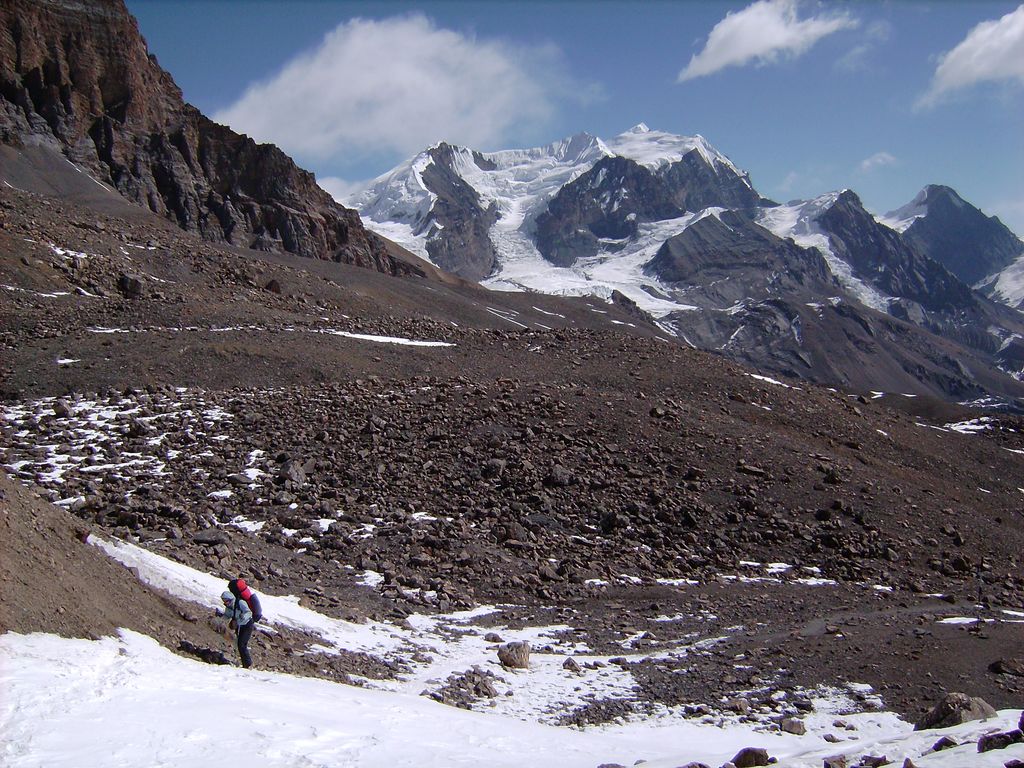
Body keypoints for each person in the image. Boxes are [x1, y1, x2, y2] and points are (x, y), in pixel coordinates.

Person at [219, 590, 254, 668]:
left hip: (247, 624)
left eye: (226, 600)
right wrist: (220, 619)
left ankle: (248, 664)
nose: (225, 602)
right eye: (224, 601)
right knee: (239, 644)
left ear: (230, 599)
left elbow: (249, 612)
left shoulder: (240, 603)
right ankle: (246, 664)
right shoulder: (228, 607)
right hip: (239, 626)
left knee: (242, 644)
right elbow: (227, 616)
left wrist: (243, 616)